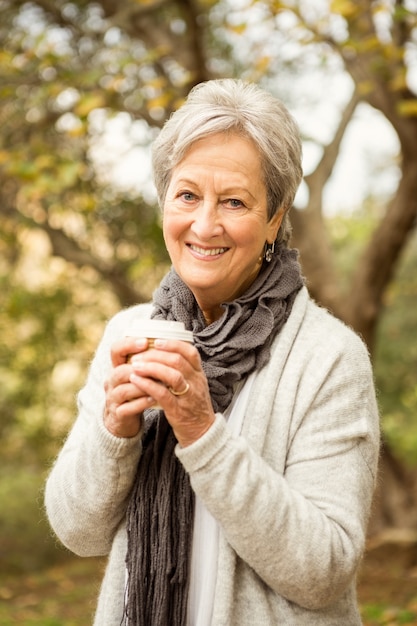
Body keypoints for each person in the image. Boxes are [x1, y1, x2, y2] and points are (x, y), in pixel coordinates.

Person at [44, 78, 380, 626]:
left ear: (274, 218)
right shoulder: (129, 333)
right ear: (164, 203)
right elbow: (77, 532)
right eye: (187, 195)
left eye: (234, 202)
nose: (204, 225)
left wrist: (202, 432)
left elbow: (325, 572)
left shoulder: (329, 357)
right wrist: (114, 433)